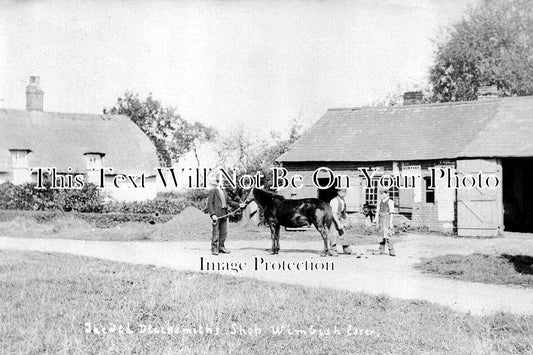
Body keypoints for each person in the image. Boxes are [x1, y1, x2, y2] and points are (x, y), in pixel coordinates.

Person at [207, 175, 245, 255]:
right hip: (216, 215)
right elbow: (210, 204)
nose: (223, 183)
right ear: (218, 182)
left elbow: (230, 202)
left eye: (224, 182)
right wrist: (213, 214)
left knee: (223, 232)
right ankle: (214, 248)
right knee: (216, 232)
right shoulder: (213, 191)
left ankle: (221, 247)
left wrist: (239, 205)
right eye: (222, 182)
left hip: (224, 213)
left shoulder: (224, 192)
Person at [329, 188, 353, 256]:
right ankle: (332, 250)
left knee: (343, 232)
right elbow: (334, 213)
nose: (343, 194)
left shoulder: (342, 201)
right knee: (334, 234)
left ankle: (346, 248)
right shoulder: (334, 201)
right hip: (333, 218)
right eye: (341, 192)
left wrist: (347, 217)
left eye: (344, 192)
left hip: (340, 217)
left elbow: (342, 212)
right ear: (338, 192)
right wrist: (338, 223)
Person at [375, 189, 396, 256]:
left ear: (387, 194)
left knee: (388, 235)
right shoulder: (380, 202)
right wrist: (376, 219)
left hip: (387, 219)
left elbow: (391, 213)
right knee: (381, 235)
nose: (382, 195)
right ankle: (381, 250)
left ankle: (391, 251)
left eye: (383, 194)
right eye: (381, 194)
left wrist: (391, 223)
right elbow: (377, 211)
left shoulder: (390, 201)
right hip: (380, 219)